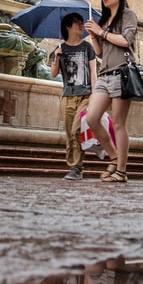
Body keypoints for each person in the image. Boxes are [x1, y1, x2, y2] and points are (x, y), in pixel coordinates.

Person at [82, 0, 138, 183]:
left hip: (122, 73)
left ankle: (121, 171)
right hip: (105, 74)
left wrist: (101, 32)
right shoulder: (104, 20)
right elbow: (99, 53)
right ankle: (114, 157)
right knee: (91, 118)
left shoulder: (128, 16)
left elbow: (125, 41)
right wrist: (94, 36)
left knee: (118, 123)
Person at [48, 13, 97, 181]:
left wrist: (95, 94)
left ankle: (77, 166)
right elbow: (54, 74)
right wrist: (56, 57)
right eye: (77, 23)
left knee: (77, 129)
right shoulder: (60, 48)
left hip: (85, 95)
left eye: (81, 22)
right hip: (68, 96)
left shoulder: (87, 47)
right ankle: (74, 167)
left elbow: (93, 72)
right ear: (68, 26)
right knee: (69, 133)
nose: (81, 25)